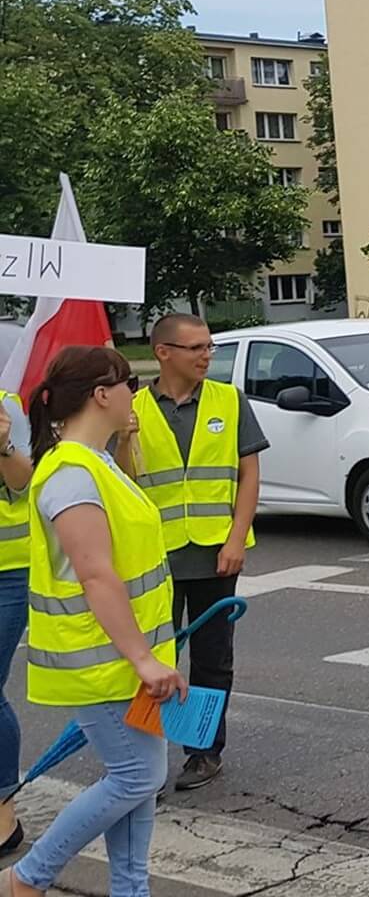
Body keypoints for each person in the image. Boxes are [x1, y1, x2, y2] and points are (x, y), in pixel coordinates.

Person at [4, 346, 188, 897]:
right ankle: (27, 878)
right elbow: (95, 574)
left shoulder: (95, 461)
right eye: (129, 382)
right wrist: (143, 659)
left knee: (137, 779)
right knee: (138, 776)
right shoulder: (70, 473)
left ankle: (130, 890)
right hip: (104, 659)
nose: (136, 391)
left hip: (123, 653)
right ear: (101, 395)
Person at [131, 313, 266, 792]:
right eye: (196, 348)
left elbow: (248, 474)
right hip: (154, 558)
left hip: (214, 552)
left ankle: (203, 751)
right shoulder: (133, 409)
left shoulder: (229, 400)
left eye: (209, 346)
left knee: (213, 659)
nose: (207, 355)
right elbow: (123, 480)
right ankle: (144, 761)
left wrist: (236, 538)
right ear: (163, 353)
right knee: (153, 659)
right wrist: (124, 436)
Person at [0, 386, 31, 853]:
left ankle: (5, 808)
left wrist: (3, 445)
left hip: (7, 571)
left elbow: (24, 482)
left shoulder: (7, 405)